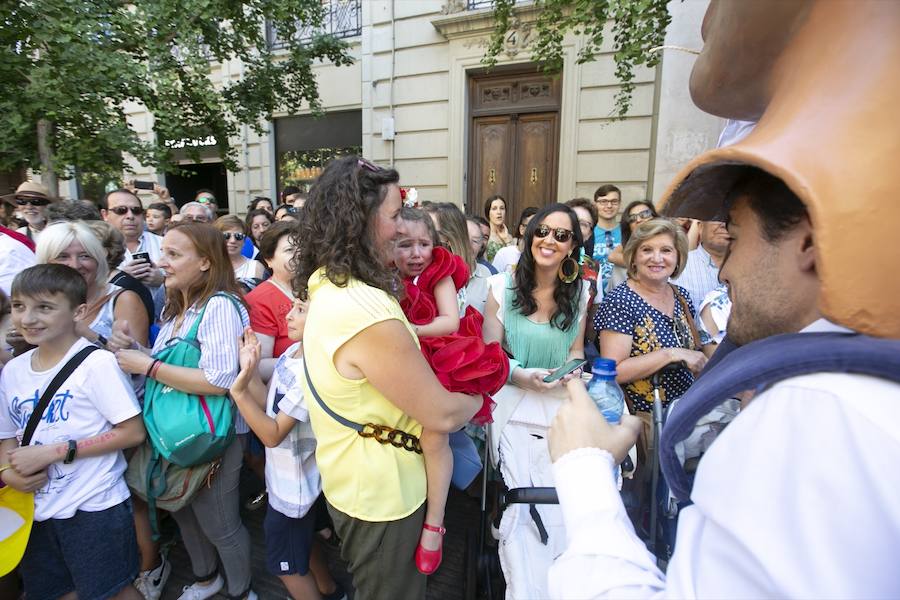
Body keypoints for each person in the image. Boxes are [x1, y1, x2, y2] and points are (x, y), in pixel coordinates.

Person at [293, 156, 481, 600]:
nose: (402, 229)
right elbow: (439, 411)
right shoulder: (365, 308)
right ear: (359, 220)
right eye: (395, 215)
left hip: (357, 479)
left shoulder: (330, 283)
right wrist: (480, 398)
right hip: (383, 493)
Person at [111, 222, 255, 600]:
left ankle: (243, 592)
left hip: (215, 436)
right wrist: (137, 352)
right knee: (184, 511)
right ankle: (209, 579)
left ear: (206, 262)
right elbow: (175, 364)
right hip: (178, 432)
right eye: (165, 253)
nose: (163, 262)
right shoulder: (181, 308)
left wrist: (148, 366)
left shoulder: (221, 305)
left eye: (174, 255)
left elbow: (220, 380)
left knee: (220, 524)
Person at [0, 263, 146, 600]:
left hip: (94, 504)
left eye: (45, 308)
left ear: (78, 311)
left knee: (112, 591)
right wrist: (9, 473)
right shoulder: (14, 371)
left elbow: (132, 432)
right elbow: (7, 436)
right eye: (19, 307)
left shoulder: (96, 364)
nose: (28, 318)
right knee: (54, 591)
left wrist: (55, 451)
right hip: (35, 507)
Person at [393, 208, 504, 574]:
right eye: (404, 244)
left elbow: (449, 320)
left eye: (424, 244)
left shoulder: (438, 272)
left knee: (434, 435)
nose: (415, 253)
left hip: (437, 354)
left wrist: (406, 330)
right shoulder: (383, 276)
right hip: (396, 357)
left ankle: (434, 522)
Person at [230, 303, 346, 600]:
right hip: (289, 482)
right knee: (303, 546)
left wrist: (239, 392)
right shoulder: (293, 352)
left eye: (302, 309)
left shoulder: (313, 373)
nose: (289, 315)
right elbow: (268, 402)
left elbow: (271, 434)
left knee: (286, 567)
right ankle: (329, 590)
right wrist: (251, 370)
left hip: (293, 491)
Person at [594, 218, 708, 461]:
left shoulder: (681, 296)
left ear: (678, 257)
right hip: (641, 425)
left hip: (684, 419)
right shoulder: (621, 301)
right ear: (633, 257)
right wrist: (670, 354)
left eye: (666, 250)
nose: (657, 258)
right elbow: (613, 371)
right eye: (647, 250)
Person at [36, 221, 149, 349]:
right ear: (45, 263)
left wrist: (92, 337)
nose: (75, 265)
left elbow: (138, 364)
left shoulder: (123, 300)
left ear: (98, 259)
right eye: (63, 257)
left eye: (84, 256)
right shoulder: (35, 301)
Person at [245, 222, 297, 381]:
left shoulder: (313, 288)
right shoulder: (260, 299)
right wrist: (305, 364)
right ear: (269, 259)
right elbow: (260, 365)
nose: (299, 255)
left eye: (302, 248)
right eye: (289, 250)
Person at [101, 189, 166, 315]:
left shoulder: (165, 244)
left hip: (161, 322)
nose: (130, 216)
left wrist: (163, 281)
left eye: (136, 211)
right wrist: (119, 278)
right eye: (121, 210)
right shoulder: (94, 248)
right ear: (105, 215)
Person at [673, 219, 730, 313]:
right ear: (700, 227)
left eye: (728, 219)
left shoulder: (749, 267)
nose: (723, 225)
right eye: (717, 219)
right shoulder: (679, 267)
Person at [214, 215, 265, 282]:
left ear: (244, 241)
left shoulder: (255, 267)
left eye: (238, 236)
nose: (233, 240)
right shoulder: (207, 266)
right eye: (226, 236)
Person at [591, 184, 622, 292]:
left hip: (622, 295)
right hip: (594, 294)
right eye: (603, 201)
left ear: (619, 204)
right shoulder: (588, 232)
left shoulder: (628, 232)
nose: (609, 206)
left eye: (614, 201)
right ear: (595, 204)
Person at [491, 206, 537, 274]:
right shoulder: (504, 253)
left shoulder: (540, 257)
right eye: (531, 226)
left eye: (538, 228)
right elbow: (493, 282)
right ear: (521, 229)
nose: (534, 231)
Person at [483, 194, 513, 262]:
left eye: (502, 208)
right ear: (488, 213)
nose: (499, 212)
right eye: (494, 209)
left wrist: (506, 240)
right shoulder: (484, 236)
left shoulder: (509, 237)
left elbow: (513, 261)